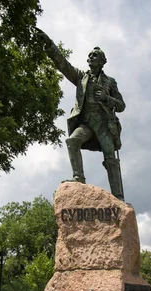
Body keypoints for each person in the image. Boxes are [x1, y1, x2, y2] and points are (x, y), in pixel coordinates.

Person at [36, 29, 126, 201]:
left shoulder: (110, 82)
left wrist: (107, 98)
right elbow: (62, 64)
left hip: (104, 125)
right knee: (72, 140)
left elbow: (121, 105)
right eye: (90, 55)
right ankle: (79, 178)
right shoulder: (80, 78)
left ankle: (118, 197)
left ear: (102, 61)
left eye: (95, 56)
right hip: (86, 123)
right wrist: (49, 45)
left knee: (111, 159)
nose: (90, 58)